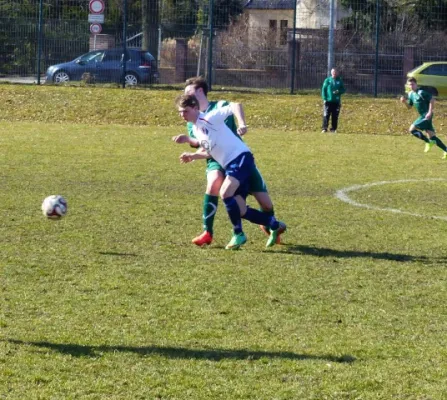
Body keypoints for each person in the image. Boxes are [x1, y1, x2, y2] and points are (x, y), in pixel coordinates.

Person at [172, 76, 285, 246]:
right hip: (230, 164)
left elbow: (235, 105)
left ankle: (239, 234)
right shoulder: (196, 128)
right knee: (240, 209)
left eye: (185, 111)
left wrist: (242, 124)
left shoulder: (209, 117)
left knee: (228, 194)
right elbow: (210, 151)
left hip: (241, 159)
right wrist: (192, 155)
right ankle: (274, 225)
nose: (182, 116)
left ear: (195, 106)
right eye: (180, 112)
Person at [400, 77, 447, 159]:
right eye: (410, 85)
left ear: (416, 84)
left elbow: (432, 100)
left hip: (426, 115)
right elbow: (409, 107)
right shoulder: (410, 94)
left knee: (412, 129)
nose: (411, 86)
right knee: (432, 136)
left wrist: (429, 112)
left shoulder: (421, 92)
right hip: (423, 116)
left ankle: (428, 142)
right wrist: (404, 102)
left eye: (413, 84)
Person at [321, 68, 345, 133]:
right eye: (333, 72)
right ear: (331, 73)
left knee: (335, 116)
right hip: (328, 101)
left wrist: (338, 91)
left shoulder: (339, 80)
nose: (334, 74)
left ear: (337, 73)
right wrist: (324, 99)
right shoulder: (327, 80)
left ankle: (333, 129)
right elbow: (324, 90)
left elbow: (343, 90)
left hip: (336, 101)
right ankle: (324, 128)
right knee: (326, 115)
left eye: (335, 72)